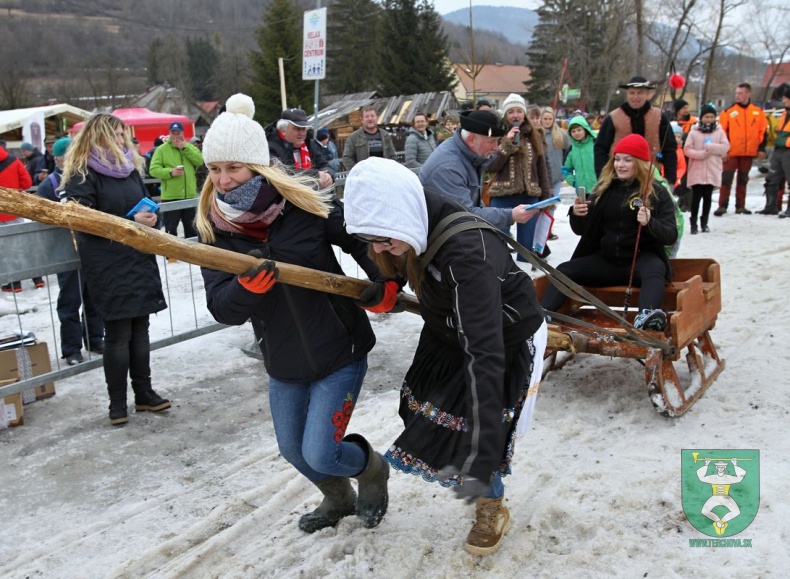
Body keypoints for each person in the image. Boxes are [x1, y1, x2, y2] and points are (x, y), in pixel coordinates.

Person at [195, 93, 392, 534]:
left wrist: (384, 282)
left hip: (339, 347)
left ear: (258, 166)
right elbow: (221, 307)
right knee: (294, 450)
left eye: (233, 168)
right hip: (283, 359)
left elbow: (359, 238)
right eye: (215, 169)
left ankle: (373, 470)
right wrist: (246, 292)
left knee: (322, 451)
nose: (223, 180)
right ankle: (338, 497)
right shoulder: (213, 229)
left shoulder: (301, 205)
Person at [343, 156, 547, 556]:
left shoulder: (468, 254)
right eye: (374, 241)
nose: (382, 248)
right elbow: (391, 247)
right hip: (447, 325)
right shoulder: (409, 212)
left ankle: (491, 506)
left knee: (473, 427)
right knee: (429, 412)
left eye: (385, 240)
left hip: (499, 338)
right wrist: (388, 280)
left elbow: (485, 348)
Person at [60, 113, 170, 426]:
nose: (124, 141)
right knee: (119, 333)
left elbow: (144, 204)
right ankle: (117, 403)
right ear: (102, 136)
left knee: (141, 329)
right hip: (107, 262)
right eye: (118, 135)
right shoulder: (83, 174)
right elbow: (83, 221)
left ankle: (145, 394)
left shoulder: (129, 169)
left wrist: (151, 218)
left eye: (124, 135)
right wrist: (128, 223)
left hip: (137, 258)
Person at [541, 134, 678, 332]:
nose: (620, 165)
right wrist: (578, 215)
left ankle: (646, 316)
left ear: (640, 163)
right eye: (618, 159)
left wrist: (650, 223)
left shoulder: (657, 192)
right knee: (564, 270)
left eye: (627, 160)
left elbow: (670, 235)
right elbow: (583, 231)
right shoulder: (603, 190)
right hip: (607, 261)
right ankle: (544, 315)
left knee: (655, 270)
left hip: (640, 262)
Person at [35, 137, 105, 364]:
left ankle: (94, 338)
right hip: (66, 252)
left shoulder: (87, 177)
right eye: (70, 154)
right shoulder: (50, 184)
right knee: (70, 301)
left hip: (90, 248)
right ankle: (72, 348)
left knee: (94, 297)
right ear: (58, 158)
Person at [419, 109, 538, 233]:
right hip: (445, 236)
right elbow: (465, 215)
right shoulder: (448, 168)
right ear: (471, 140)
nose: (496, 147)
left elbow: (473, 203)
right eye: (492, 141)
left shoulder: (467, 153)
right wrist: (510, 215)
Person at [486, 94, 552, 260]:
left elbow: (542, 169)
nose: (515, 115)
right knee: (498, 242)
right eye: (510, 112)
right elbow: (490, 166)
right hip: (502, 197)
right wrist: (507, 144)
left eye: (518, 111)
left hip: (529, 197)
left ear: (524, 114)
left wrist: (546, 198)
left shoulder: (535, 136)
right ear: (505, 115)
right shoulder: (496, 136)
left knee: (526, 246)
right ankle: (500, 278)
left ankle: (524, 278)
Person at [594, 76, 678, 188]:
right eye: (632, 93)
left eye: (640, 93)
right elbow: (600, 149)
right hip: (618, 180)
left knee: (644, 206)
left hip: (651, 178)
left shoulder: (659, 117)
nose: (635, 97)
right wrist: (602, 177)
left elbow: (669, 149)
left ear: (647, 94)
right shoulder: (613, 118)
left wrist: (670, 179)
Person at [714, 83, 768, 216]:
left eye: (740, 93)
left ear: (748, 94)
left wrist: (761, 148)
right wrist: (723, 151)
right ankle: (722, 205)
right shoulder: (727, 112)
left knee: (743, 180)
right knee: (726, 179)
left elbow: (763, 131)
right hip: (731, 152)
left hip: (748, 153)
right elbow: (721, 133)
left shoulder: (758, 112)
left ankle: (740, 206)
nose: (737, 96)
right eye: (736, 93)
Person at [148, 121, 204, 239]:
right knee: (170, 231)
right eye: (173, 133)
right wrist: (170, 172)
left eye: (178, 133)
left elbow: (200, 161)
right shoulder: (162, 149)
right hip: (170, 197)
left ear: (182, 133)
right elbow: (153, 170)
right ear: (169, 133)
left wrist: (184, 148)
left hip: (190, 196)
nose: (175, 136)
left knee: (192, 230)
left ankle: (192, 256)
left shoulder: (189, 147)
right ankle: (171, 257)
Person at [683, 105, 730, 234]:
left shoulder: (719, 132)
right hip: (697, 170)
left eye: (711, 117)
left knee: (708, 198)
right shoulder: (694, 132)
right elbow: (687, 149)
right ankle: (693, 223)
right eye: (706, 116)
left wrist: (711, 147)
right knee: (696, 198)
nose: (709, 119)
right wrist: (700, 154)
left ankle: (705, 222)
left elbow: (725, 147)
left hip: (712, 170)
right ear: (701, 118)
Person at [264, 108, 334, 189]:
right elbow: (284, 174)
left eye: (304, 129)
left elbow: (324, 164)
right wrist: (316, 175)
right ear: (283, 130)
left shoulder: (309, 144)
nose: (302, 133)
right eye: (297, 128)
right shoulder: (272, 148)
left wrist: (328, 175)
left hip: (315, 195)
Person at [0, 139, 34, 293]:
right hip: (15, 211)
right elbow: (27, 183)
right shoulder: (14, 161)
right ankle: (37, 278)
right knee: (21, 247)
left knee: (3, 250)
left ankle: (13, 283)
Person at [763, 86, 790, 218]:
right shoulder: (784, 113)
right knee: (772, 178)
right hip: (778, 150)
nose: (783, 100)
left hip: (788, 151)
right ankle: (771, 206)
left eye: (785, 98)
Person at [563, 115, 598, 197]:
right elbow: (565, 171)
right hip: (582, 192)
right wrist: (575, 183)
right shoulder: (571, 150)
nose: (576, 133)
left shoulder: (596, 143)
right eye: (573, 131)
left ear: (585, 130)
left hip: (599, 188)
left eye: (579, 130)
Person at [540, 107, 571, 197]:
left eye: (550, 119)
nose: (548, 121)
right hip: (541, 176)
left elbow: (569, 151)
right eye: (545, 119)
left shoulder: (561, 134)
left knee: (551, 204)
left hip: (557, 175)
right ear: (541, 119)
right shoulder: (536, 134)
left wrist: (565, 167)